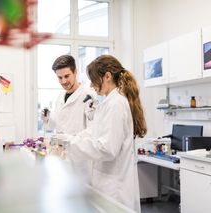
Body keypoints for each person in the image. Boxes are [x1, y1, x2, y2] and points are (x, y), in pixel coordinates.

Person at [66, 55, 147, 212]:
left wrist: (71, 144)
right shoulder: (108, 103)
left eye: (94, 79)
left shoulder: (116, 104)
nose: (91, 84)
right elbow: (95, 130)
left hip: (115, 188)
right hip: (106, 184)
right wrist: (71, 138)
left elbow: (107, 149)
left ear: (107, 76)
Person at [41, 55, 96, 135]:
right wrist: (48, 118)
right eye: (60, 77)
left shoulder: (88, 95)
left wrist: (71, 140)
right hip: (60, 146)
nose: (63, 81)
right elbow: (58, 125)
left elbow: (92, 130)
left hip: (77, 147)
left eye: (67, 76)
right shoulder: (60, 97)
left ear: (75, 72)